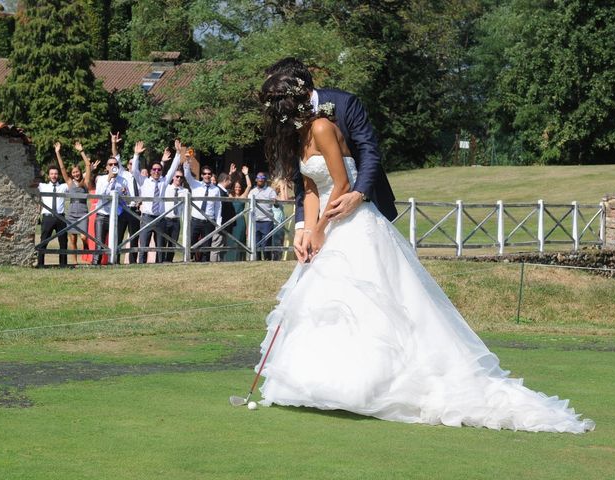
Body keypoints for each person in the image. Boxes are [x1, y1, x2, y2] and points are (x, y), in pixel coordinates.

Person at [253, 74, 594, 433]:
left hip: (351, 221)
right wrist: (305, 230)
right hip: (325, 220)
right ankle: (321, 384)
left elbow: (341, 183)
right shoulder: (299, 136)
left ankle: (372, 387)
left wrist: (322, 228)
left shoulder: (323, 126)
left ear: (289, 104)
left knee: (370, 301)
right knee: (323, 305)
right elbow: (309, 187)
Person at [265, 57, 397, 262]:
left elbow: (369, 152)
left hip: (359, 204)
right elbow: (306, 183)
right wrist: (305, 229)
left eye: (276, 92)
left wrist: (358, 193)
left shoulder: (345, 104)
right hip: (323, 213)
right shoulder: (293, 126)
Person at [130, 140, 181, 264]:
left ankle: (159, 267)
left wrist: (178, 153)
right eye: (154, 169)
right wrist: (136, 155)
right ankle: (141, 266)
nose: (156, 171)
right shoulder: (144, 181)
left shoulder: (164, 182)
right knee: (143, 247)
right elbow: (135, 171)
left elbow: (173, 169)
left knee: (160, 248)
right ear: (150, 170)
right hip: (147, 217)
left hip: (160, 219)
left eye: (159, 170)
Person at [53, 141, 92, 265]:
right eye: (73, 172)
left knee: (84, 237)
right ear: (71, 174)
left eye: (77, 172)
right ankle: (74, 262)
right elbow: (62, 168)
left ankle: (86, 248)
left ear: (80, 172)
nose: (76, 173)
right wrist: (57, 152)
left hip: (83, 212)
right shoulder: (69, 182)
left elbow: (87, 164)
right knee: (73, 239)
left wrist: (81, 151)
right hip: (71, 213)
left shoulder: (85, 182)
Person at [91, 155, 130, 265]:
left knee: (115, 243)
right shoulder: (101, 179)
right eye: (111, 164)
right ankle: (96, 264)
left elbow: (127, 201)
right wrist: (109, 179)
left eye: (115, 164)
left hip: (116, 217)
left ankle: (114, 263)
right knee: (99, 243)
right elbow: (99, 196)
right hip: (102, 215)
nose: (113, 166)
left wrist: (125, 193)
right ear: (107, 167)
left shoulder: (123, 181)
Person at [183, 159, 221, 262]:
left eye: (209, 174)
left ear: (211, 175)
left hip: (209, 222)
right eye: (205, 174)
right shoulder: (195, 184)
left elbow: (218, 207)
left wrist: (218, 223)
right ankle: (188, 262)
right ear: (202, 175)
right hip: (195, 220)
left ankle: (204, 264)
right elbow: (187, 175)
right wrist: (187, 162)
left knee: (206, 247)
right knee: (191, 244)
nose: (207, 176)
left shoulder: (216, 189)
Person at [112, 132, 140, 264]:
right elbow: (116, 157)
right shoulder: (123, 174)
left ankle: (133, 261)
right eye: (129, 163)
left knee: (134, 237)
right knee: (119, 236)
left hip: (135, 210)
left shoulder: (141, 177)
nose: (131, 165)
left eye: (133, 163)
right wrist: (114, 143)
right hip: (124, 209)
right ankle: (115, 260)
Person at [37, 164, 69, 267]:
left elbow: (75, 182)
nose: (54, 176)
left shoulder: (63, 186)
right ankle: (40, 264)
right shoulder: (43, 186)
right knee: (43, 241)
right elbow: (30, 182)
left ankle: (63, 265)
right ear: (48, 175)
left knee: (63, 242)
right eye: (52, 174)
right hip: (47, 217)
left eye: (55, 174)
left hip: (60, 217)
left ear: (58, 175)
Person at [225, 164, 252, 261]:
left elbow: (249, 185)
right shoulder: (229, 195)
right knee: (230, 240)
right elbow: (227, 184)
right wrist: (231, 173)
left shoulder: (243, 196)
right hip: (231, 221)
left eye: (239, 187)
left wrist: (246, 174)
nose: (238, 188)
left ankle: (239, 259)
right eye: (236, 187)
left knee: (239, 240)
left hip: (240, 222)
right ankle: (229, 259)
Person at [248, 171, 277, 260]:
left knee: (266, 244)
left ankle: (267, 260)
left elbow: (275, 203)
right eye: (259, 179)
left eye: (262, 179)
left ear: (265, 180)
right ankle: (257, 260)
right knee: (256, 244)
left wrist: (274, 201)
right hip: (255, 221)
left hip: (267, 221)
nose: (260, 180)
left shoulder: (270, 190)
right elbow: (248, 206)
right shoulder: (252, 191)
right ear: (256, 180)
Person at [163, 168, 188, 262]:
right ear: (173, 177)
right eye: (177, 176)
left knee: (173, 243)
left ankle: (169, 261)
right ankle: (160, 260)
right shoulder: (166, 188)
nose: (179, 178)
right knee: (163, 241)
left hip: (176, 220)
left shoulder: (185, 191)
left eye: (181, 177)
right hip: (166, 219)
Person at [210, 172, 235, 262]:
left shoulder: (224, 191)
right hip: (221, 223)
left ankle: (220, 263)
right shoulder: (218, 191)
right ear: (225, 180)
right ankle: (213, 264)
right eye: (229, 180)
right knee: (216, 246)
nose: (231, 182)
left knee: (222, 246)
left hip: (226, 224)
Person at [270, 177, 289, 260]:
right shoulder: (272, 194)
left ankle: (279, 259)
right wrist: (282, 186)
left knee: (280, 242)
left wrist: (285, 188)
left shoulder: (279, 195)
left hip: (281, 222)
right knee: (276, 243)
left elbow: (287, 200)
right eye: (281, 187)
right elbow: (284, 200)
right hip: (275, 222)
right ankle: (275, 259)